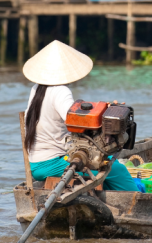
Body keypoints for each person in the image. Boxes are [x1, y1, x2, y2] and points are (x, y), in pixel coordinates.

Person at [23, 40, 139, 192]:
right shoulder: (60, 91)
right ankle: (137, 201)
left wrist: (107, 108)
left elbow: (78, 112)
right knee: (117, 170)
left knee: (106, 167)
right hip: (52, 163)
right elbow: (78, 123)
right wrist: (110, 114)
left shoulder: (37, 88)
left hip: (37, 163)